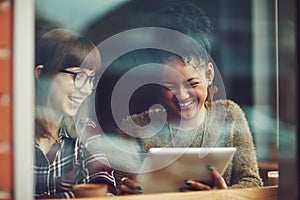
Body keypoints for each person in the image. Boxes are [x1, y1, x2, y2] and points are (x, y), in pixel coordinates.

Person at [110, 1, 263, 194]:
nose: (182, 96)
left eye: (192, 84)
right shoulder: (134, 129)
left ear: (208, 75)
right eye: (169, 86)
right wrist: (126, 193)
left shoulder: (230, 116)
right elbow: (118, 188)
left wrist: (222, 195)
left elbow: (251, 183)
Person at [34, 28, 117, 198]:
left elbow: (104, 187)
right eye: (78, 76)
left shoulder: (85, 128)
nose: (87, 90)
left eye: (91, 79)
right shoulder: (10, 134)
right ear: (41, 75)